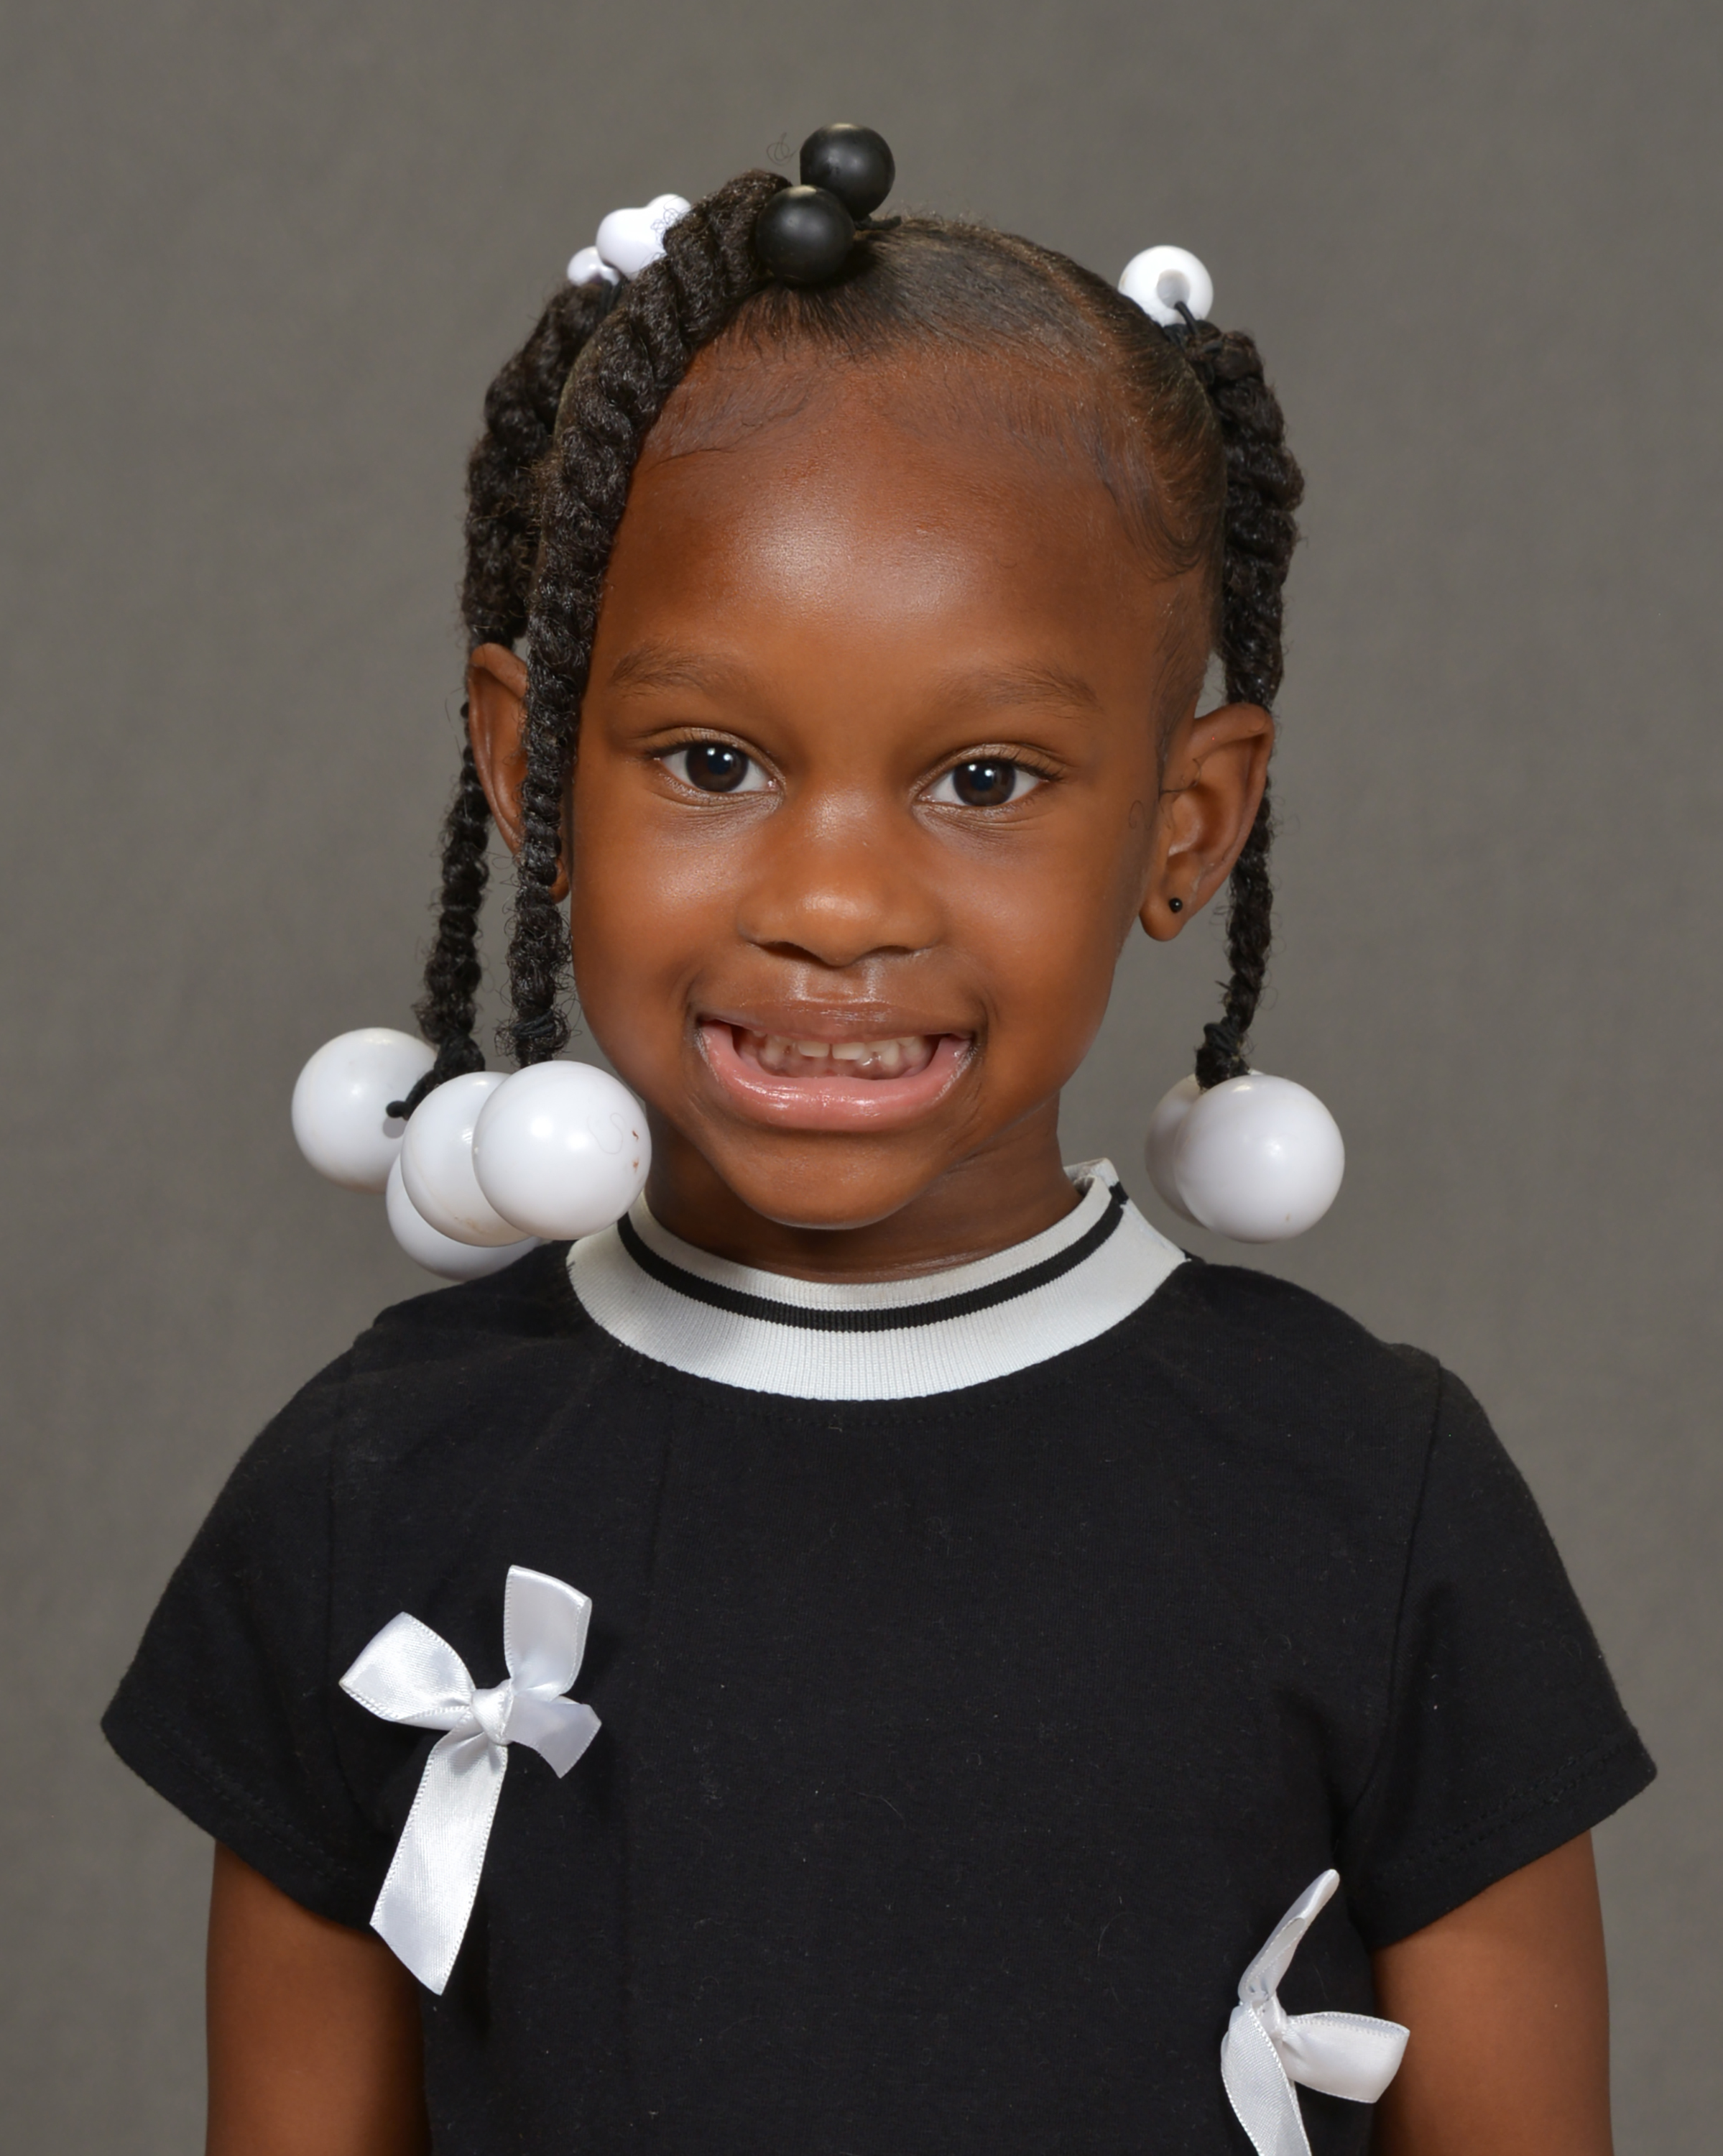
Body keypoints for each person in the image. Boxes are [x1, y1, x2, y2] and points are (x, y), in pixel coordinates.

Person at [103, 130, 1653, 2156]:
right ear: (530, 772)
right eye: (714, 759)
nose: (836, 903)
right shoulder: (367, 1492)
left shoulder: (1376, 1497)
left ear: (1187, 826)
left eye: (984, 777)